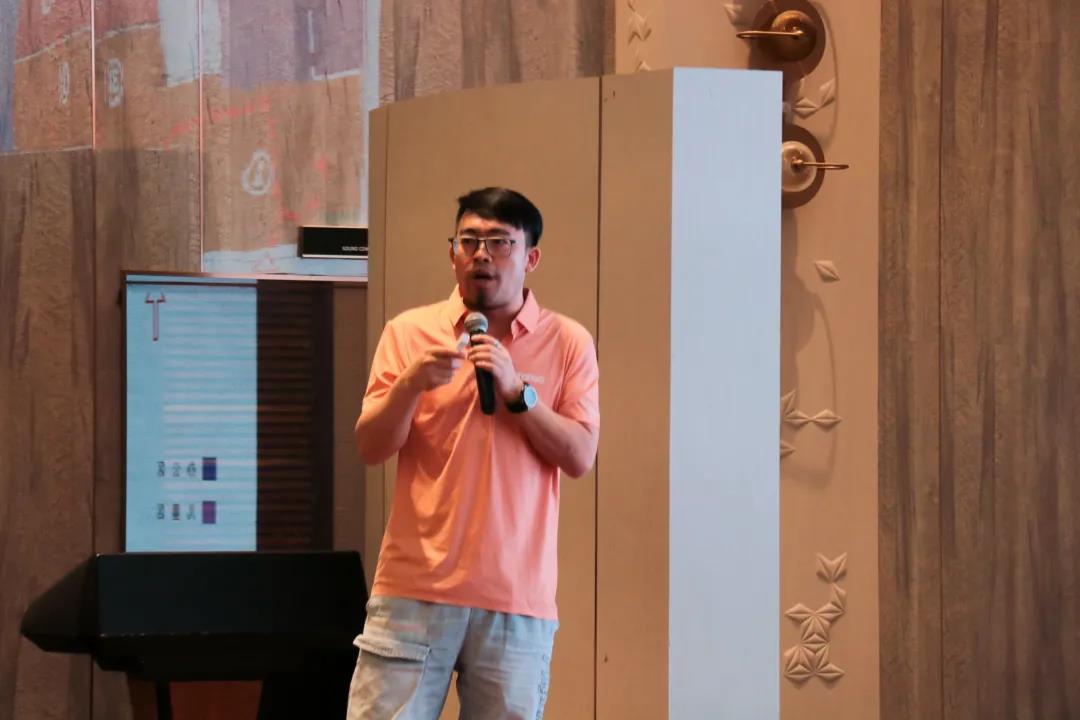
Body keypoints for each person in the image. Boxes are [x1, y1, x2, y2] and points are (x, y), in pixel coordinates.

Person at [346, 187, 600, 719]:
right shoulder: (409, 334)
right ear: (453, 254)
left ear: (530, 257)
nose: (482, 254)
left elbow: (579, 455)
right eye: (469, 241)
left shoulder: (568, 341)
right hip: (413, 591)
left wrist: (517, 393)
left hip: (516, 599)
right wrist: (411, 384)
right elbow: (371, 446)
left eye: (500, 242)